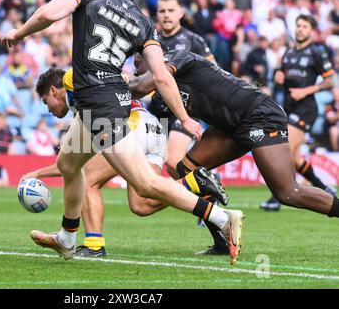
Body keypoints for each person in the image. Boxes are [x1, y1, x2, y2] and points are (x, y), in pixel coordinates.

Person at [2, 0, 244, 264]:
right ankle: (67, 239)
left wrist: (19, 33)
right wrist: (185, 118)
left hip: (99, 103)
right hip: (112, 98)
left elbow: (48, 14)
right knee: (69, 164)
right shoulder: (142, 22)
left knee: (145, 184)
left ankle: (223, 218)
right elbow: (162, 77)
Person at [129, 48, 339, 254]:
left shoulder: (178, 56)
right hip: (228, 127)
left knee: (288, 193)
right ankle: (222, 241)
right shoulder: (160, 98)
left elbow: (140, 86)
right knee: (188, 168)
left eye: (137, 61)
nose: (135, 68)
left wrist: (112, 85)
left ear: (153, 57)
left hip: (258, 114)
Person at [20, 68, 226, 257]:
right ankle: (193, 182)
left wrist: (36, 174)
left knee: (87, 179)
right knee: (141, 203)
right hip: (154, 130)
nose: (49, 110)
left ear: (54, 91)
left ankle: (93, 246)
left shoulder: (77, 85)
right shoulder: (82, 107)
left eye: (47, 102)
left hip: (131, 126)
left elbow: (70, 168)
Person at [261, 14, 336, 211]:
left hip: (306, 109)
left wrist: (305, 91)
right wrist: (279, 79)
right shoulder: (288, 54)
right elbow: (282, 79)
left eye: (304, 26)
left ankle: (276, 197)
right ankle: (323, 187)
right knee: (294, 159)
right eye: (298, 26)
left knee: (283, 149)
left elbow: (330, 82)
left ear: (312, 30)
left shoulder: (317, 52)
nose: (300, 29)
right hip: (288, 107)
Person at [154, 0, 216, 179]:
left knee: (173, 162)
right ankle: (206, 186)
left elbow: (215, 72)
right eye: (162, 11)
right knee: (170, 171)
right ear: (156, 14)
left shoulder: (193, 40)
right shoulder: (151, 41)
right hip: (158, 110)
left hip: (185, 108)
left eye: (171, 10)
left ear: (181, 13)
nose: (166, 15)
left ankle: (207, 191)